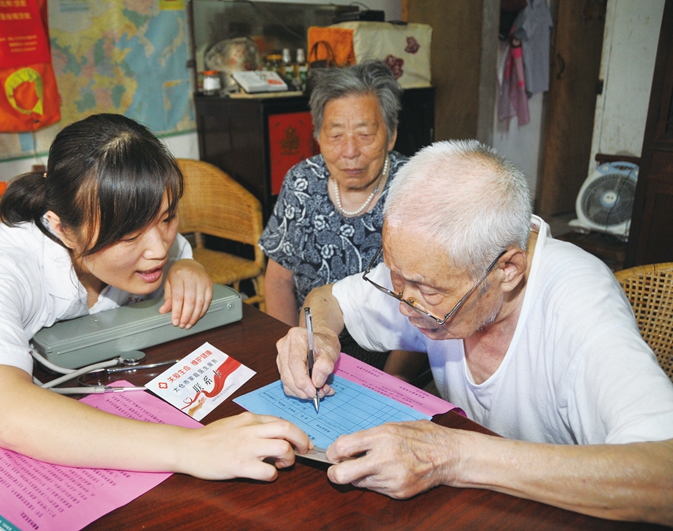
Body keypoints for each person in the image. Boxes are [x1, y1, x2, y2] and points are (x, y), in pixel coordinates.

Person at [275, 139, 673, 524]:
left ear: (508, 271)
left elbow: (664, 479)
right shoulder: (432, 265)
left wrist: (456, 456)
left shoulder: (579, 304)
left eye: (427, 290)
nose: (403, 304)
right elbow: (326, 299)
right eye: (396, 280)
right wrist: (318, 336)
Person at [0, 114, 309, 481]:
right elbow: (10, 415)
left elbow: (176, 249)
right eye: (130, 236)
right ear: (62, 229)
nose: (157, 250)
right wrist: (191, 447)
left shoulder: (154, 245)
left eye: (167, 219)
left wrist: (188, 266)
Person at [260, 60, 419, 376]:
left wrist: (394, 381)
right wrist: (295, 352)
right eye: (335, 135)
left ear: (391, 136)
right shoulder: (302, 182)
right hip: (313, 343)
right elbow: (279, 280)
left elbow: (424, 306)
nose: (349, 151)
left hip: (386, 356)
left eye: (365, 133)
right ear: (318, 136)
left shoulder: (414, 189)